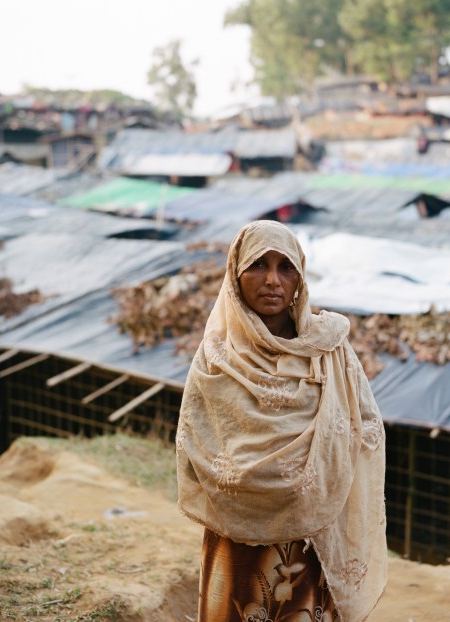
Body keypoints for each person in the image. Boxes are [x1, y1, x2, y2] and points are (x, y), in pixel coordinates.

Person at [176, 220, 387, 621]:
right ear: (235, 274)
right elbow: (194, 444)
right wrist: (250, 479)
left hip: (312, 540)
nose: (272, 280)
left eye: (285, 267)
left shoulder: (330, 353)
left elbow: (367, 430)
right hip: (236, 539)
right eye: (258, 265)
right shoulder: (216, 358)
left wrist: (319, 470)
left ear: (300, 278)